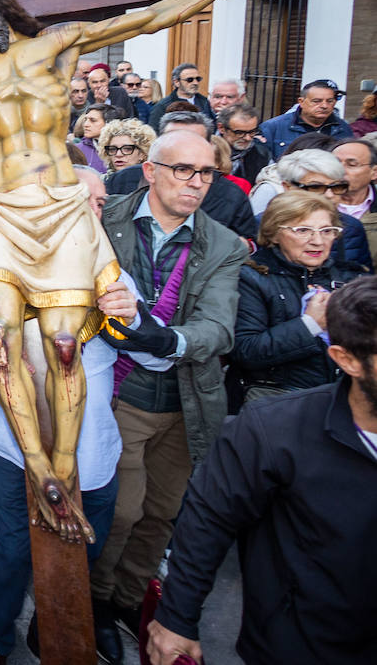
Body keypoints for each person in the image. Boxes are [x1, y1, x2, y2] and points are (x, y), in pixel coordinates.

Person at [146, 274, 377, 665]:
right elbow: (210, 517)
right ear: (346, 360)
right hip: (302, 644)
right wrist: (176, 619)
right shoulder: (274, 430)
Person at [0, 167, 132, 664]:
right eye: (85, 201)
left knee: (86, 542)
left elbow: (151, 346)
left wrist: (126, 316)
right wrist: (13, 349)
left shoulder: (107, 261)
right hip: (12, 446)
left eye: (100, 203)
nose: (94, 211)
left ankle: (51, 623)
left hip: (92, 446)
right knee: (10, 550)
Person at [89, 131, 247, 664]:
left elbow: (219, 329)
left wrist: (169, 339)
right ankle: (90, 606)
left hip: (186, 401)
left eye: (206, 173)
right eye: (184, 170)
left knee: (162, 516)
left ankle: (127, 604)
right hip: (120, 389)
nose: (196, 183)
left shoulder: (223, 244)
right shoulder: (102, 218)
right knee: (123, 512)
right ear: (151, 170)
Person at [229, 191, 361, 404]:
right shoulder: (250, 277)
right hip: (278, 401)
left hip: (345, 399)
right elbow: (246, 350)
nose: (317, 241)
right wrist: (310, 324)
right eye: (303, 230)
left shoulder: (352, 278)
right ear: (274, 233)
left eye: (327, 231)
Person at [106, 112, 259, 238]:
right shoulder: (123, 181)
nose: (183, 147)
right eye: (174, 140)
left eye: (193, 141)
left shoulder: (231, 196)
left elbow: (248, 246)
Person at [266, 149, 372, 271]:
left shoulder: (352, 227)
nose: (329, 195)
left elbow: (363, 281)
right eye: (316, 187)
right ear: (288, 188)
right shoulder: (261, 224)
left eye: (337, 187)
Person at [259, 78, 353, 159]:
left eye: (330, 101)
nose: (324, 105)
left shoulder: (343, 128)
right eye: (316, 101)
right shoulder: (273, 127)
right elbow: (262, 163)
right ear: (301, 101)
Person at [333, 137, 377, 261]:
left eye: (352, 164)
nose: (341, 171)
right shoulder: (313, 205)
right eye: (335, 163)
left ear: (374, 172)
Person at [215, 103, 269, 185]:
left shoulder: (262, 154)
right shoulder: (206, 150)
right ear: (221, 128)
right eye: (239, 133)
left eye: (252, 132)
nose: (247, 138)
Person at [148, 63, 213, 129]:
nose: (195, 83)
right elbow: (154, 131)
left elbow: (211, 126)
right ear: (177, 82)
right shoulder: (162, 106)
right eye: (190, 80)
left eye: (198, 79)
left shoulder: (204, 102)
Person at [72, 103, 113, 172]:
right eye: (85, 120)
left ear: (108, 123)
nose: (85, 124)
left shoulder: (121, 149)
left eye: (93, 120)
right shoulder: (76, 150)